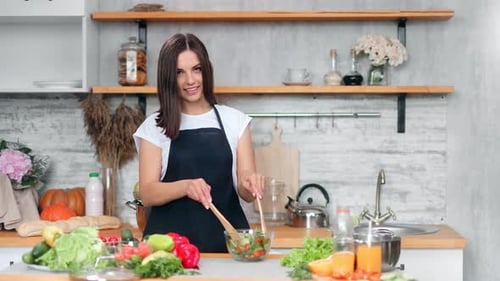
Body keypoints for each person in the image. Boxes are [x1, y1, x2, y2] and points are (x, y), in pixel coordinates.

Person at [133, 33, 265, 253]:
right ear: (168, 77)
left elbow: (246, 192)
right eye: (179, 73)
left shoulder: (235, 121)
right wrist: (186, 186)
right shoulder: (154, 127)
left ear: (206, 70)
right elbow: (147, 193)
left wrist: (252, 184)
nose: (190, 80)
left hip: (228, 249)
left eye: (196, 69)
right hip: (169, 253)